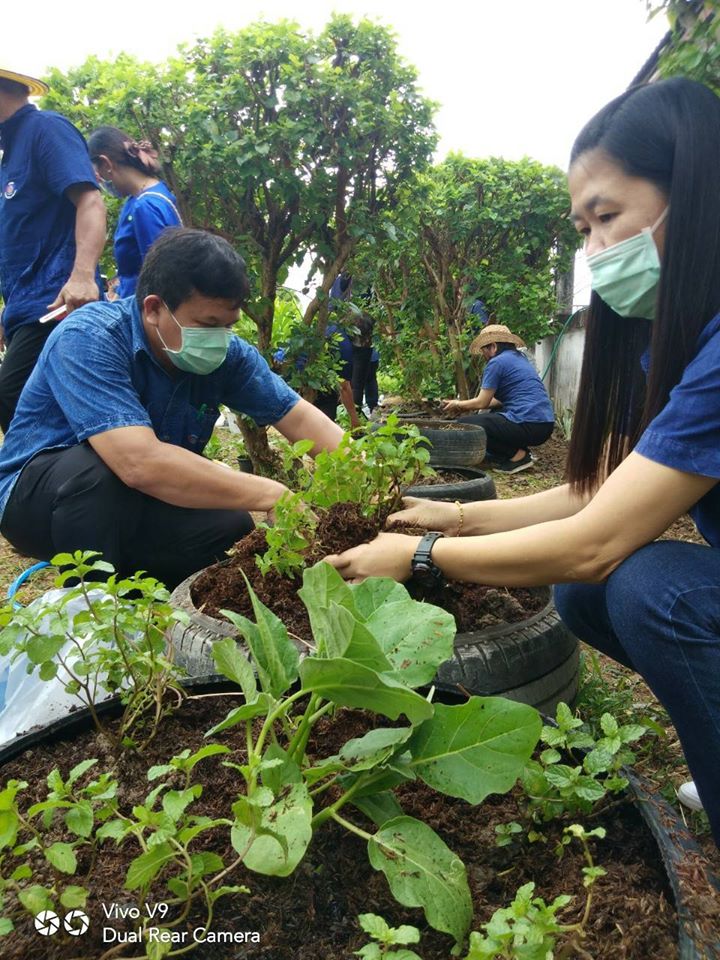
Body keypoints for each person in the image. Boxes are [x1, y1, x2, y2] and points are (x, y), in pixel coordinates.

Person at [326, 78, 720, 848]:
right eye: (583, 228)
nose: (596, 249)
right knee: (584, 596)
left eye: (608, 217)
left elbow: (595, 538)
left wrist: (425, 554)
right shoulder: (673, 340)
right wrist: (461, 512)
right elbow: (602, 492)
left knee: (650, 589)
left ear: (699, 190)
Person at [0, 228, 343, 589]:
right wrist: (274, 493)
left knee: (231, 525)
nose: (219, 338)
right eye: (208, 325)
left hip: (134, 502)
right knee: (97, 472)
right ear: (154, 308)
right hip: (36, 501)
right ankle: (96, 617)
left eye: (228, 326)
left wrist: (371, 476)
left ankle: (152, 609)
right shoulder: (90, 337)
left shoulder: (228, 356)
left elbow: (299, 416)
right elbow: (137, 463)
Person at [0, 67, 106, 433]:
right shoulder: (10, 151)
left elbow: (90, 200)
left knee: (13, 397)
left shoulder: (46, 129)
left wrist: (82, 277)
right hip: (27, 308)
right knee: (38, 411)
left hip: (57, 303)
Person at [442, 324, 555, 473]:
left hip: (528, 423)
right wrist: (464, 405)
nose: (484, 355)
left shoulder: (497, 362)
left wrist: (458, 404)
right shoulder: (519, 359)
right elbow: (498, 401)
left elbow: (482, 402)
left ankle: (518, 456)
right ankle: (513, 452)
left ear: (493, 347)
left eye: (484, 350)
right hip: (544, 425)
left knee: (467, 424)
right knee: (493, 415)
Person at [88, 126, 182, 298]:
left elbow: (160, 279)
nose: (101, 182)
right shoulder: (141, 198)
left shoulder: (146, 207)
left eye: (98, 173)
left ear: (107, 164)